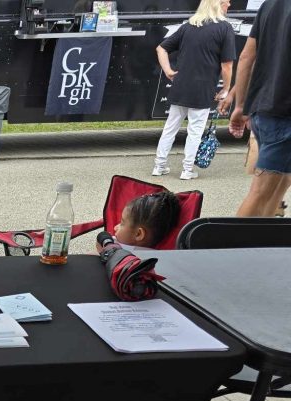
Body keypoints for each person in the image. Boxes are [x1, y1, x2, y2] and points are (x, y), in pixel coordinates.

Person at [152, 0, 235, 181]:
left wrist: (167, 70)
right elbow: (227, 65)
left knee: (170, 127)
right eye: (227, 2)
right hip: (203, 87)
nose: (229, 5)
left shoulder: (189, 26)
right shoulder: (224, 28)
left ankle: (159, 166)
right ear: (218, 4)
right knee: (195, 130)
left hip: (180, 85)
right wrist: (226, 88)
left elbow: (161, 48)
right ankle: (187, 169)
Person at [228, 0, 291, 217]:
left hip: (264, 110)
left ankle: (266, 239)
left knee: (280, 184)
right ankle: (232, 247)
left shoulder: (269, 5)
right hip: (283, 113)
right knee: (261, 191)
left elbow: (246, 57)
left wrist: (240, 106)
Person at [95, 191, 182, 253]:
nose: (115, 227)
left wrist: (102, 252)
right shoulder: (158, 258)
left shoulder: (116, 250)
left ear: (138, 234)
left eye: (122, 223)